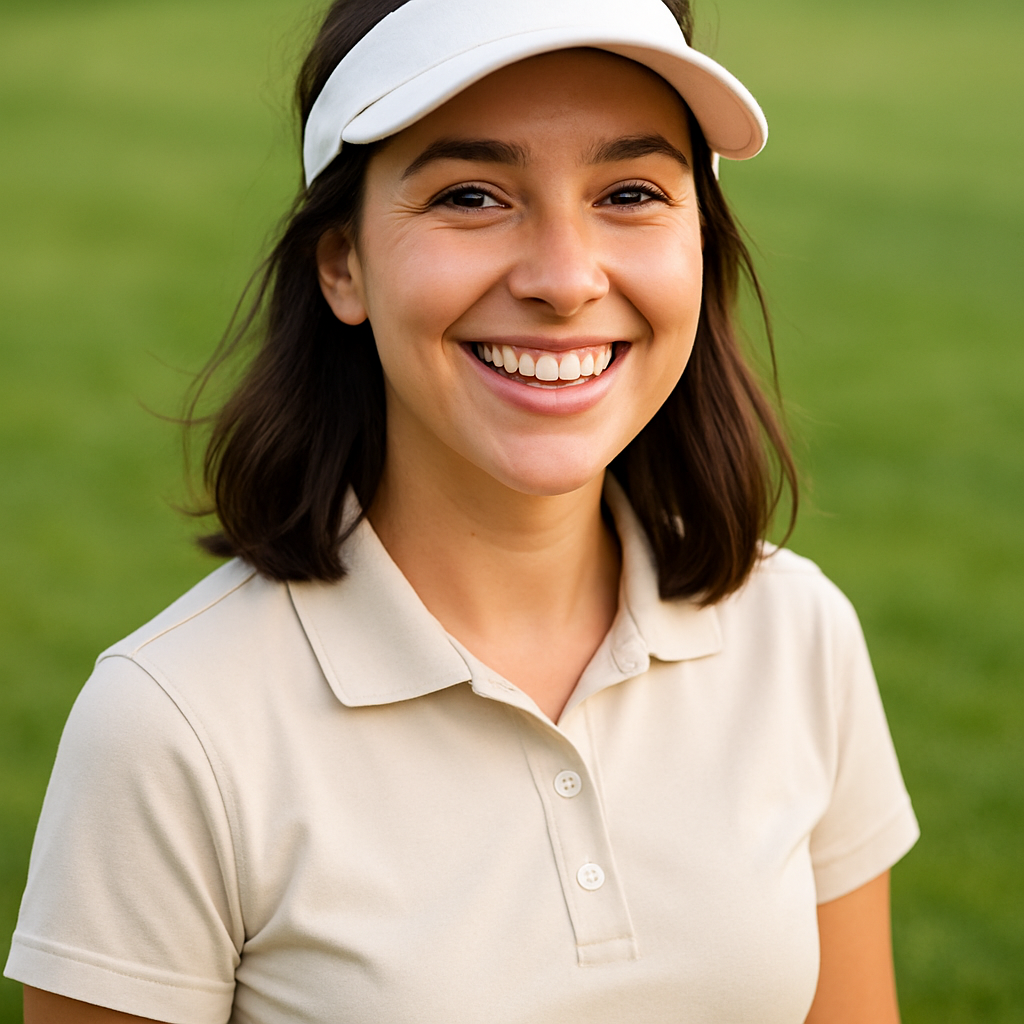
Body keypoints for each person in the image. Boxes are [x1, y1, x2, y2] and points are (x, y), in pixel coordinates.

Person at [6, 0, 919, 1021]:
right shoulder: (172, 725)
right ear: (341, 265)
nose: (565, 280)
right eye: (473, 196)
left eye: (627, 191)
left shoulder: (795, 630)